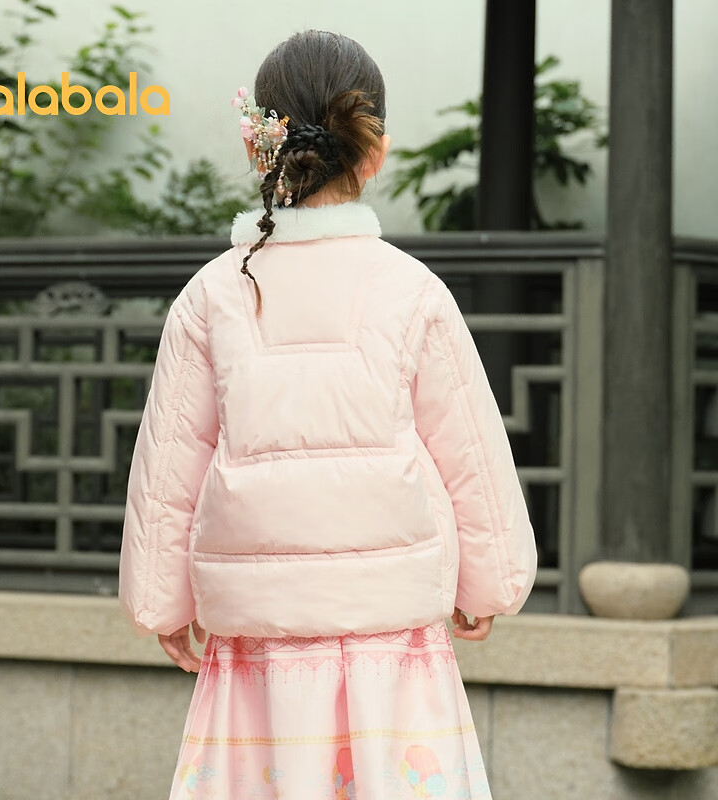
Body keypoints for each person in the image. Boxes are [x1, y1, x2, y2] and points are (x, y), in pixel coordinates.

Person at [118, 29, 537, 800]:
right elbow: (470, 453)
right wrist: (489, 583)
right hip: (392, 638)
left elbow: (171, 463)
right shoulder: (412, 290)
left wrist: (160, 600)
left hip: (258, 641)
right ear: (375, 153)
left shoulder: (213, 294)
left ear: (258, 147)